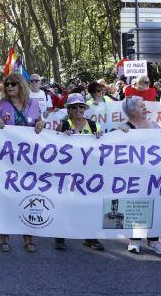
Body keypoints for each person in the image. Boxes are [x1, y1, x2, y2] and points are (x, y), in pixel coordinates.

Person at [0, 73, 40, 252]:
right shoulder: (1, 105)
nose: (9, 87)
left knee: (28, 197)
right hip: (6, 159)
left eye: (13, 84)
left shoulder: (34, 105)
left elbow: (38, 124)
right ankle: (4, 236)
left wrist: (41, 124)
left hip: (27, 160)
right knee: (6, 197)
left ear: (21, 86)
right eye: (7, 84)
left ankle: (28, 237)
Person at [118, 96, 161, 255]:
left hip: (154, 175)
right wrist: (121, 134)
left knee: (156, 206)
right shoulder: (124, 128)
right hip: (134, 177)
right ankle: (134, 240)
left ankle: (154, 241)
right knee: (136, 206)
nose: (145, 108)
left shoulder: (154, 125)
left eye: (145, 105)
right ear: (132, 110)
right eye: (141, 106)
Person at [54, 93, 105, 251]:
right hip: (67, 172)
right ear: (69, 109)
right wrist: (62, 136)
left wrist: (100, 137)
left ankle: (90, 237)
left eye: (81, 106)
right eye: (74, 107)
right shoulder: (64, 124)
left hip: (88, 172)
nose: (78, 109)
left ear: (85, 108)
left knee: (89, 204)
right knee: (66, 203)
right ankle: (60, 236)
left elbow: (103, 145)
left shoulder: (94, 125)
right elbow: (53, 145)